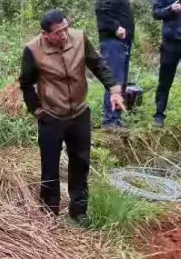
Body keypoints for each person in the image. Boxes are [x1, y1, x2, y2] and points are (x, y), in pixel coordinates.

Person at [19, 11, 124, 223]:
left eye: (66, 28)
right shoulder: (32, 50)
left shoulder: (79, 38)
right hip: (51, 116)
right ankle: (50, 213)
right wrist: (38, 111)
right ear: (45, 34)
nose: (65, 35)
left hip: (79, 113)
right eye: (58, 33)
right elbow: (26, 84)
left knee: (81, 162)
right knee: (49, 165)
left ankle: (79, 211)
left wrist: (113, 89)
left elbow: (98, 64)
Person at [95, 0, 136, 130]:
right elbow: (101, 10)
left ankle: (116, 119)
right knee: (114, 80)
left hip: (122, 43)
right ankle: (109, 120)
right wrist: (116, 27)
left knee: (121, 81)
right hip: (112, 42)